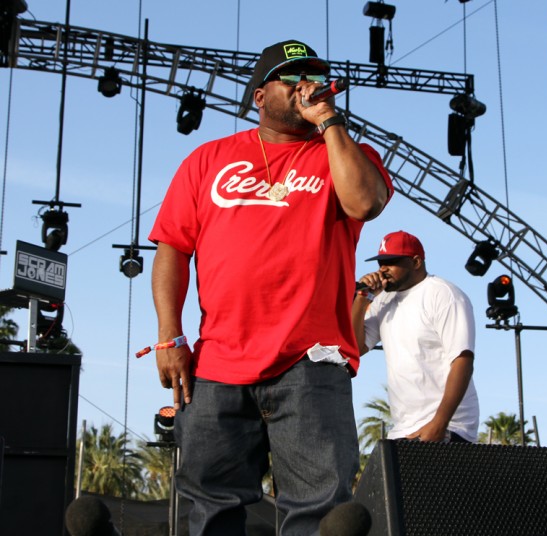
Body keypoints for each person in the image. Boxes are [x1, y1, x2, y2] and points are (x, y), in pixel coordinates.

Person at [148, 39, 393, 535]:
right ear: (260, 96)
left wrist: (328, 121)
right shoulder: (208, 159)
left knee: (318, 514)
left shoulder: (344, 152)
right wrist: (169, 335)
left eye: (315, 76)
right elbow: (172, 248)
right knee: (211, 513)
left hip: (311, 363)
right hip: (217, 367)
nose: (307, 84)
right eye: (293, 76)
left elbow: (365, 203)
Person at [352, 230, 479, 443]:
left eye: (392, 262)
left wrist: (439, 424)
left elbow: (462, 361)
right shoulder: (383, 300)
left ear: (416, 262)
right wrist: (363, 297)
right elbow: (356, 348)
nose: (383, 269)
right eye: (381, 263)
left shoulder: (444, 294)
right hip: (403, 429)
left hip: (447, 426)